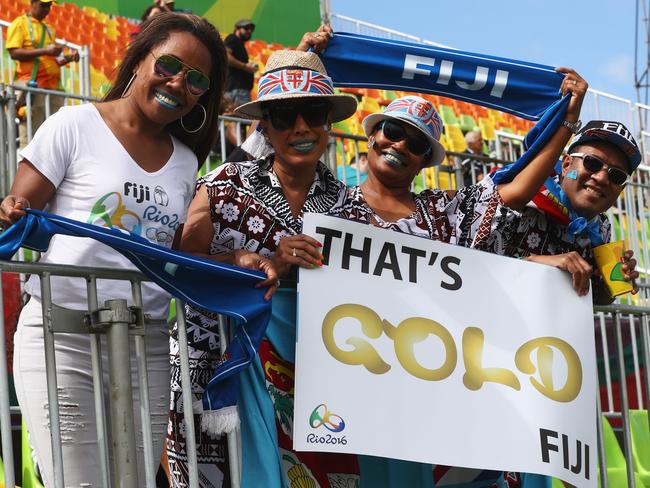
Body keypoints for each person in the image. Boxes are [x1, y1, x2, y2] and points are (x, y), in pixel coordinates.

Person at [0, 13, 276, 487]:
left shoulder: (187, 162)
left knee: (135, 482)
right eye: (168, 65)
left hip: (144, 343)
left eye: (196, 80)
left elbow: (166, 262)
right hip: (60, 335)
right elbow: (18, 212)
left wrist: (236, 262)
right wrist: (11, 210)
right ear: (140, 58)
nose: (178, 83)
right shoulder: (73, 124)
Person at [165, 48, 358, 487]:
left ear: (329, 120)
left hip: (317, 395)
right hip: (216, 383)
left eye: (313, 112)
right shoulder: (223, 186)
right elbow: (177, 265)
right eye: (285, 116)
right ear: (265, 124)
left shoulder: (352, 210)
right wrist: (243, 262)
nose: (302, 127)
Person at [479, 119, 641, 306]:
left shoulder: (601, 227)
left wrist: (609, 287)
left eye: (616, 176)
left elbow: (592, 298)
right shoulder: (521, 192)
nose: (602, 178)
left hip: (545, 334)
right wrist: (535, 264)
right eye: (593, 163)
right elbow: (466, 258)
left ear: (620, 190)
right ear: (566, 165)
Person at [6, 0, 79, 147]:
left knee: (53, 136)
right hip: (33, 86)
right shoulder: (20, 23)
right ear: (32, 3)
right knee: (32, 136)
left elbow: (54, 60)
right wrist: (45, 51)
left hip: (53, 90)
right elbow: (14, 53)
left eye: (49, 6)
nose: (47, 9)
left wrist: (68, 58)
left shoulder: (49, 29)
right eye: (43, 5)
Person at [223, 18, 258, 106]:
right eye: (246, 28)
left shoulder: (239, 43)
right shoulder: (233, 38)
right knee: (243, 117)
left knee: (233, 118)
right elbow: (226, 56)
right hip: (237, 90)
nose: (249, 31)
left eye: (251, 29)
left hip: (236, 90)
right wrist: (245, 67)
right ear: (237, 28)